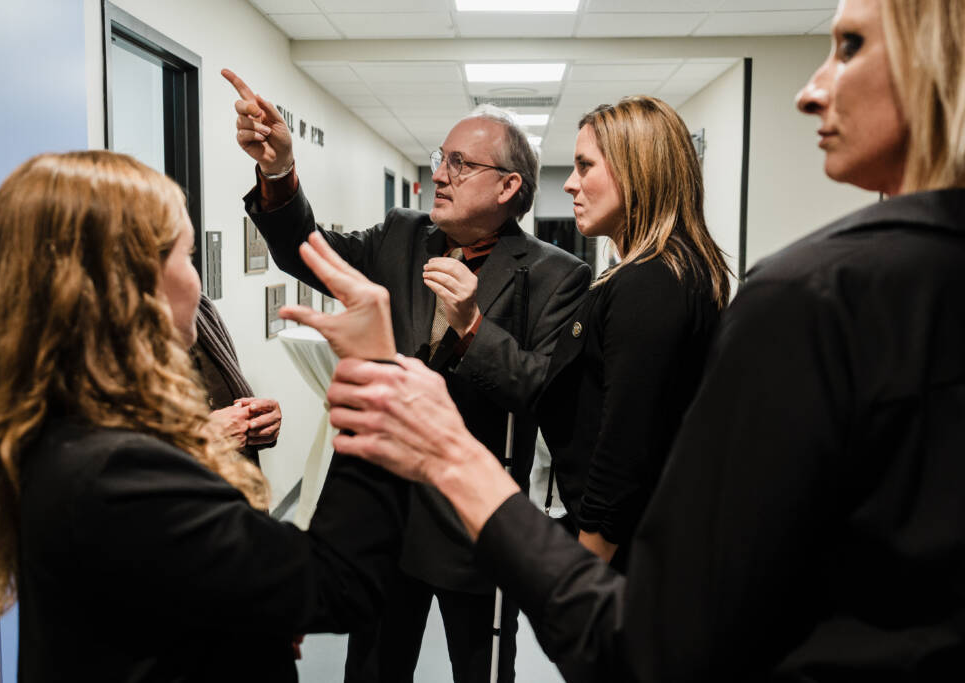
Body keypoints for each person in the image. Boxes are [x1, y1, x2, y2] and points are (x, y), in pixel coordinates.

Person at [281, 0, 965, 679]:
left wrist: (565, 552)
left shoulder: (723, 289)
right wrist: (280, 175)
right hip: (412, 526)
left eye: (848, 47)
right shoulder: (413, 237)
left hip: (547, 547)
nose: (571, 185)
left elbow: (609, 440)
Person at [0, 151, 408, 683]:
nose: (197, 282)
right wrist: (374, 376)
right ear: (128, 285)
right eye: (188, 258)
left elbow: (154, 596)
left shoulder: (60, 426)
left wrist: (245, 619)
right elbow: (337, 584)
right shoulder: (119, 468)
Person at [224, 69, 591, 683]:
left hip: (470, 523)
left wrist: (474, 327)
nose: (440, 174)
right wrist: (279, 171)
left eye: (460, 163)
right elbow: (303, 248)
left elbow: (543, 391)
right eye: (439, 158)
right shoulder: (400, 236)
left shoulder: (557, 275)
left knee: (478, 669)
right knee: (370, 669)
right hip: (380, 515)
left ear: (508, 186)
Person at [536, 97, 730, 571]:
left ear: (636, 171)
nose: (569, 183)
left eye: (585, 166)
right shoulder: (664, 271)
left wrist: (585, 579)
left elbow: (625, 447)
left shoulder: (652, 283)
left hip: (634, 557)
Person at [192, 293, 281, 465]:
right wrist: (199, 438)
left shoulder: (202, 310)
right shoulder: (128, 334)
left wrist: (258, 423)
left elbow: (225, 399)